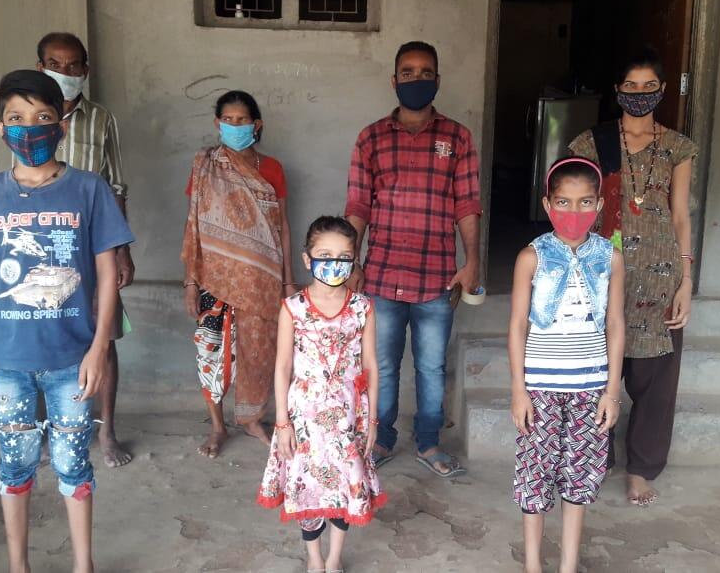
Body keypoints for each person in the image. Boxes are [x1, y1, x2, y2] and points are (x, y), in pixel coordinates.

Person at [0, 70, 134, 573]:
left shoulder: (89, 189)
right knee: (14, 466)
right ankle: (19, 566)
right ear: (0, 128)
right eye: (16, 118)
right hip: (5, 362)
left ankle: (83, 565)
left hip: (71, 361)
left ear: (61, 125)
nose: (28, 128)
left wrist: (99, 347)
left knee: (74, 466)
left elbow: (105, 276)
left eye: (42, 118)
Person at [568, 48, 699, 506]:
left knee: (655, 383)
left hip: (660, 276)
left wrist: (685, 279)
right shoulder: (592, 143)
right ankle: (594, 458)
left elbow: (680, 215)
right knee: (595, 373)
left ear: (662, 91)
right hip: (602, 273)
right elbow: (573, 207)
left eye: (649, 87)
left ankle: (641, 469)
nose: (640, 94)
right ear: (617, 91)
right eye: (631, 86)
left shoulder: (678, 146)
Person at [345, 40, 481, 478]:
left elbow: (467, 205)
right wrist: (350, 261)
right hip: (382, 276)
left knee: (431, 366)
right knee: (381, 365)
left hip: (437, 277)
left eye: (425, 73)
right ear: (394, 80)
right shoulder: (371, 138)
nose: (416, 80)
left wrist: (471, 260)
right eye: (408, 72)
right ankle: (381, 439)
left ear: (437, 81)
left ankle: (427, 443)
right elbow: (357, 207)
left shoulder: (458, 137)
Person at [508, 157, 624, 573]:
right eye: (563, 202)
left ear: (599, 205)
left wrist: (612, 391)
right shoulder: (531, 257)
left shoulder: (609, 257)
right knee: (535, 477)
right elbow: (518, 325)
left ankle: (568, 566)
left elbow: (614, 322)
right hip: (539, 387)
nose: (573, 213)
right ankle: (534, 566)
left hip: (590, 386)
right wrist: (519, 390)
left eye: (584, 202)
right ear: (547, 203)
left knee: (580, 478)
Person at [257, 216, 385, 573]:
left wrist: (373, 418)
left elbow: (371, 365)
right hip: (304, 419)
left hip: (350, 417)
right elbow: (282, 367)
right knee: (306, 487)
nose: (335, 263)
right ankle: (314, 560)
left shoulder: (363, 308)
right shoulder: (293, 308)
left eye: (345, 256)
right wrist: (282, 423)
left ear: (355, 259)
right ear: (306, 258)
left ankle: (333, 559)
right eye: (325, 254)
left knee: (348, 486)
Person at [36, 32, 136, 468]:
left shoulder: (101, 119)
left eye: (74, 65)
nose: (66, 72)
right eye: (56, 64)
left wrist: (122, 250)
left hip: (93, 244)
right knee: (42, 334)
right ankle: (46, 426)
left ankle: (106, 430)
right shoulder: (29, 117)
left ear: (86, 71)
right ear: (41, 67)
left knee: (104, 337)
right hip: (40, 244)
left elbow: (116, 186)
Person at [181, 90, 297, 458]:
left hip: (261, 278)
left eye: (241, 120)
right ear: (217, 124)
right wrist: (190, 281)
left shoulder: (273, 169)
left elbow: (283, 228)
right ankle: (218, 427)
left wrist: (288, 279)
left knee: (260, 352)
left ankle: (251, 419)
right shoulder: (204, 165)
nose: (234, 126)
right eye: (227, 120)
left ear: (256, 124)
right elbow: (194, 225)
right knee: (211, 354)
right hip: (213, 277)